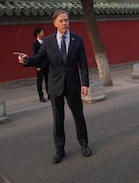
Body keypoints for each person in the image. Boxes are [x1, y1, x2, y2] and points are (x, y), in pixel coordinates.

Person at [15, 10, 91, 164]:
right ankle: (59, 150)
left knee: (78, 115)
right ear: (54, 23)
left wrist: (85, 83)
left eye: (67, 20)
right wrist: (27, 60)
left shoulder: (78, 39)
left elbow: (83, 63)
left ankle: (84, 144)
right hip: (55, 85)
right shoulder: (48, 41)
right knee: (58, 118)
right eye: (61, 20)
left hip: (73, 84)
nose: (65, 23)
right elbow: (39, 58)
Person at [32, 27, 49, 102]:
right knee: (40, 81)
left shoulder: (45, 42)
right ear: (38, 33)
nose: (43, 33)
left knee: (48, 80)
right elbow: (35, 55)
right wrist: (37, 66)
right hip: (39, 65)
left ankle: (49, 94)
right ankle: (41, 96)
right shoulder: (35, 43)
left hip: (46, 64)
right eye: (42, 32)